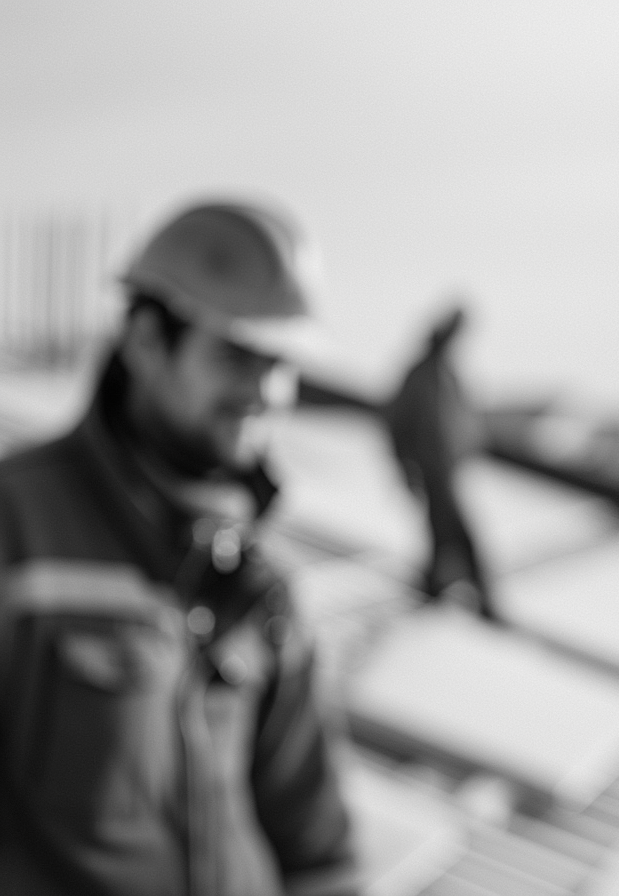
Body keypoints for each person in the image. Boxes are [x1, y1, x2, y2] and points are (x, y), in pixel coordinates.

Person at [0, 200, 360, 895]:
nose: (266, 392)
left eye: (279, 363)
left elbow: (318, 849)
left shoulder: (260, 582)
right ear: (144, 338)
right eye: (236, 354)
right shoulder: (17, 527)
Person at [381, 305, 494, 619]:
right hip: (432, 471)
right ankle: (483, 598)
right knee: (461, 534)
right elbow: (397, 424)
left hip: (449, 470)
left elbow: (465, 423)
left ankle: (432, 587)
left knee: (441, 533)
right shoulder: (421, 375)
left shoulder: (447, 373)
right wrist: (405, 465)